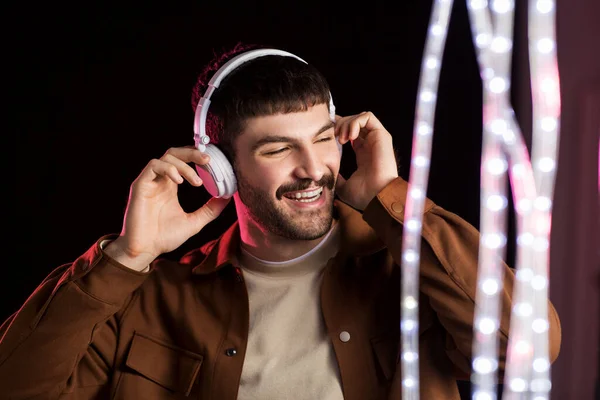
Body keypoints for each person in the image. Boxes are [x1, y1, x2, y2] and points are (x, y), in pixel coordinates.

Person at [0, 42, 561, 400]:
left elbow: (528, 347)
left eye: (323, 139)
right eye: (277, 151)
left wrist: (391, 198)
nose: (313, 169)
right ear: (218, 168)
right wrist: (125, 258)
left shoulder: (406, 270)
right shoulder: (152, 299)